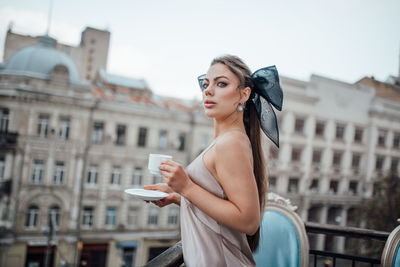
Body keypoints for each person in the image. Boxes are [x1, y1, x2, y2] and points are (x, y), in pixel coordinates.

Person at [145, 55, 283, 266]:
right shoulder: (228, 141)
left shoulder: (231, 144)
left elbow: (248, 221)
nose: (208, 90)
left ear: (244, 94)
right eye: (206, 84)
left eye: (221, 83)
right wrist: (177, 195)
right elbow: (220, 211)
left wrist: (187, 187)